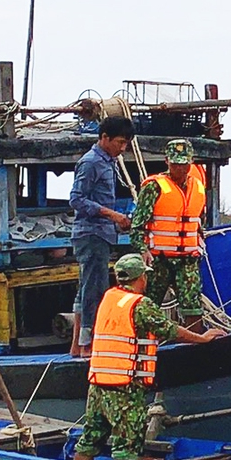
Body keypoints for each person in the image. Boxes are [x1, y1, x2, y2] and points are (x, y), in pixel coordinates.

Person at [73, 254, 225, 460]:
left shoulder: (109, 298)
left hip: (98, 384)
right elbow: (170, 330)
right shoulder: (140, 304)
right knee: (126, 446)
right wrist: (201, 339)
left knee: (90, 438)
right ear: (141, 277)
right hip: (124, 387)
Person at [69, 115, 134, 357]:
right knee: (95, 289)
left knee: (85, 288)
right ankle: (88, 345)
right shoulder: (91, 162)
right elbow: (76, 199)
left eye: (126, 143)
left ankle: (77, 346)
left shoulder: (109, 161)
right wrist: (112, 215)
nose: (123, 148)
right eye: (119, 142)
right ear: (104, 137)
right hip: (91, 233)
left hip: (103, 233)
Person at [129, 139, 208, 328]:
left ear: (191, 162)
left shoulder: (198, 187)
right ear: (167, 161)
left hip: (188, 260)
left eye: (184, 164)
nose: (180, 169)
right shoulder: (154, 187)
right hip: (159, 260)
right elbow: (137, 225)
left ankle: (195, 346)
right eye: (176, 164)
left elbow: (198, 221)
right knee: (149, 306)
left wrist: (199, 240)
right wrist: (143, 251)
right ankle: (144, 346)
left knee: (193, 307)